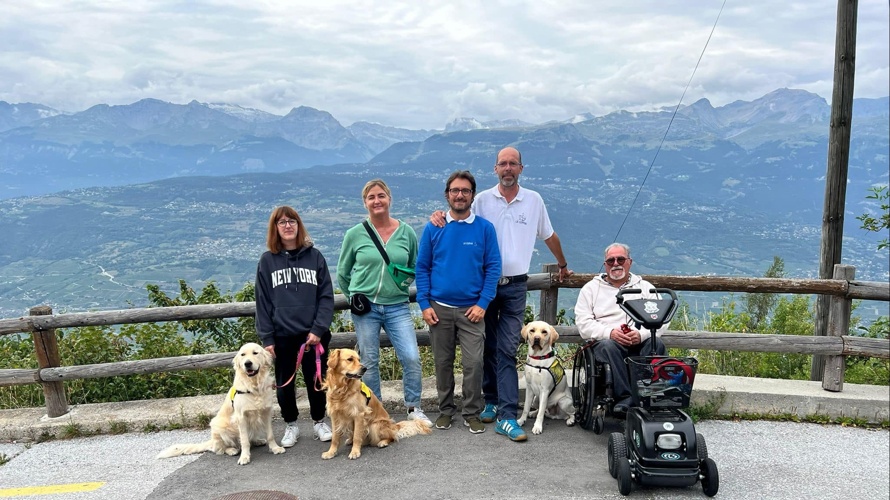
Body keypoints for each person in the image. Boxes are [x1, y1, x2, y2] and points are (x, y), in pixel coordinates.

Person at [431, 146, 573, 442]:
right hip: (483, 285)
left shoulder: (533, 200)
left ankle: (507, 414)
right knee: (483, 345)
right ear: (495, 169)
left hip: (516, 285)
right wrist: (437, 217)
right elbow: (458, 217)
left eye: (513, 164)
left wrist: (562, 264)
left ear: (521, 168)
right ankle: (492, 399)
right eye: (502, 164)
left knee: (506, 348)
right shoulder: (482, 200)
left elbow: (549, 234)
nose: (507, 168)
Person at [337, 179, 430, 425]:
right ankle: (374, 411)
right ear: (365, 203)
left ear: (389, 199)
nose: (376, 201)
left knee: (410, 356)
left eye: (381, 196)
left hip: (398, 305)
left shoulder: (406, 232)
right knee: (368, 361)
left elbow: (416, 266)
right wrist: (352, 297)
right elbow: (343, 273)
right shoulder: (355, 234)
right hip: (365, 308)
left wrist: (402, 284)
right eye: (371, 197)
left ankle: (413, 406)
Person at [416, 170, 501, 434]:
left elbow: (493, 267)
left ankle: (472, 412)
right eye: (455, 190)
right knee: (442, 363)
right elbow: (422, 267)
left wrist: (483, 303)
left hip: (472, 310)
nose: (460, 195)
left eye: (465, 190)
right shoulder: (435, 227)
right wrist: (424, 304)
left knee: (473, 363)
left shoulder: (484, 229)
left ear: (472, 195)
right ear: (447, 194)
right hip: (439, 308)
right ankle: (445, 411)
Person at [255, 205, 335, 447]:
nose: (288, 226)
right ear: (275, 229)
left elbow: (326, 296)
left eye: (292, 221)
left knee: (316, 381)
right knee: (284, 385)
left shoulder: (315, 257)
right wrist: (267, 339)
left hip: (313, 336)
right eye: (282, 222)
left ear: (299, 226)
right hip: (282, 336)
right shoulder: (267, 261)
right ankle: (291, 425)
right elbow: (263, 302)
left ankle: (319, 421)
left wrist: (318, 329)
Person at [574, 242, 669, 415]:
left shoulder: (646, 287)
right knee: (609, 346)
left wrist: (641, 335)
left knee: (657, 344)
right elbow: (583, 322)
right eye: (611, 261)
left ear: (629, 262)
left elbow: (662, 317)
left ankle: (652, 395)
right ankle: (627, 398)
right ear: (605, 265)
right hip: (606, 341)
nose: (616, 263)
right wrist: (610, 333)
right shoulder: (591, 289)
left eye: (620, 259)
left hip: (637, 339)